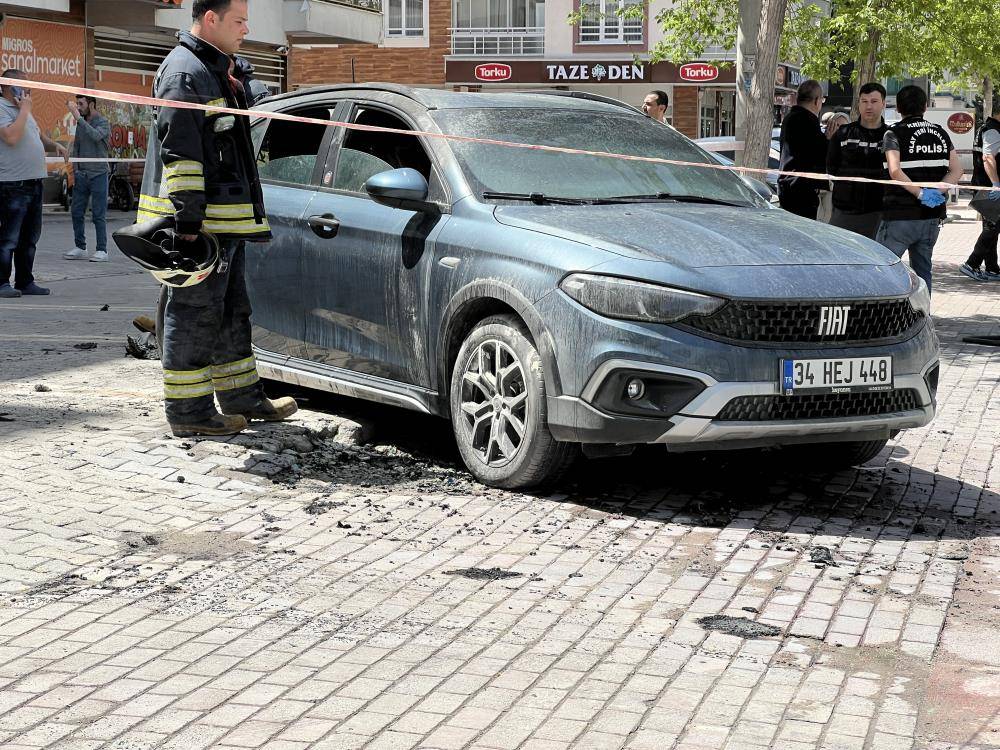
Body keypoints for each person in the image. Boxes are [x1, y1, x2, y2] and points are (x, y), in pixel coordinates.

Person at [137, 0, 296, 437]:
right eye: (239, 21)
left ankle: (242, 397)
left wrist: (241, 77)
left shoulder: (214, 69)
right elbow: (181, 152)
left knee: (231, 310)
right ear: (211, 19)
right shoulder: (185, 73)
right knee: (195, 314)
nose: (247, 29)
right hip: (197, 228)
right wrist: (188, 226)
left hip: (223, 224)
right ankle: (190, 415)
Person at [878, 85, 963, 293]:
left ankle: (883, 320)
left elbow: (895, 170)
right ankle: (924, 316)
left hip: (900, 215)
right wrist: (935, 193)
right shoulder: (940, 133)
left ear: (898, 108)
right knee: (924, 272)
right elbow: (957, 170)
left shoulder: (893, 134)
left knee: (883, 269)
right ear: (925, 107)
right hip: (931, 217)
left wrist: (920, 193)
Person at [0, 69, 68, 299]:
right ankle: (2, 283)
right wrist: (25, 110)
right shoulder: (3, 108)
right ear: (11, 86)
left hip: (34, 182)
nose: (29, 90)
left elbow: (36, 135)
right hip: (13, 184)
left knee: (29, 238)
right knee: (9, 237)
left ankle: (25, 281)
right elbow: (11, 137)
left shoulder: (23, 109)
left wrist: (54, 144)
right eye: (25, 85)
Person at [827, 82, 890, 239]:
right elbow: (831, 168)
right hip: (844, 212)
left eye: (874, 101)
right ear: (859, 104)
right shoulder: (843, 134)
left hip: (878, 212)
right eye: (864, 101)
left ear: (883, 103)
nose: (869, 106)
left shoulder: (890, 136)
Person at [64, 95, 112, 262]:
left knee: (98, 214)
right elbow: (77, 145)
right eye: (77, 104)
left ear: (91, 105)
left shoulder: (103, 122)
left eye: (81, 104)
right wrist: (76, 170)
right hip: (82, 175)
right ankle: (80, 247)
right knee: (76, 212)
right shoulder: (81, 123)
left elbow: (95, 136)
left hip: (98, 174)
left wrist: (78, 117)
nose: (78, 107)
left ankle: (102, 250)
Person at [960, 101, 1000, 282]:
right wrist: (996, 184)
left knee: (992, 226)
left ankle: (992, 268)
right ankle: (972, 263)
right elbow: (988, 157)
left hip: (985, 186)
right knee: (993, 227)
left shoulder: (987, 127)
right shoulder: (993, 130)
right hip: (990, 188)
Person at [778, 80, 829, 219]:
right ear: (817, 100)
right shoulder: (809, 121)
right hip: (802, 188)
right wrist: (828, 139)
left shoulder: (789, 118)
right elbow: (818, 153)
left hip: (787, 185)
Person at [817, 111, 849, 222]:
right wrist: (830, 141)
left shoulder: (850, 145)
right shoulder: (823, 141)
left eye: (843, 126)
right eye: (837, 125)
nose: (839, 129)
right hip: (822, 190)